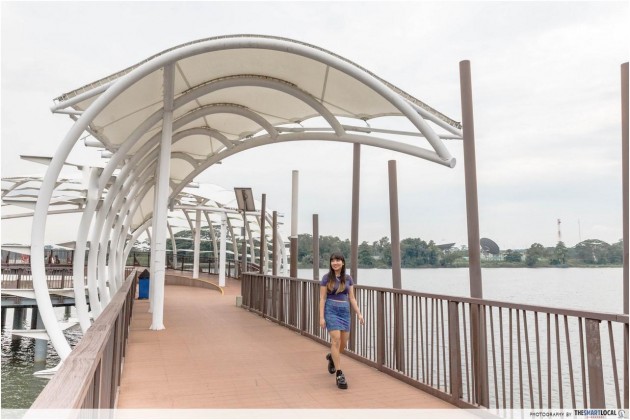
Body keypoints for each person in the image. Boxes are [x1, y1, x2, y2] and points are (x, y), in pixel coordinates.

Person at [319, 252, 364, 389]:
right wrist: (321, 317)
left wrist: (359, 313)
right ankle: (339, 374)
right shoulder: (326, 278)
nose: (335, 263)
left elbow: (352, 298)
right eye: (333, 260)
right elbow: (322, 298)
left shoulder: (348, 278)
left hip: (344, 311)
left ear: (343, 262)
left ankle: (332, 358)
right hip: (331, 310)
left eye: (338, 260)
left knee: (343, 344)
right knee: (336, 339)